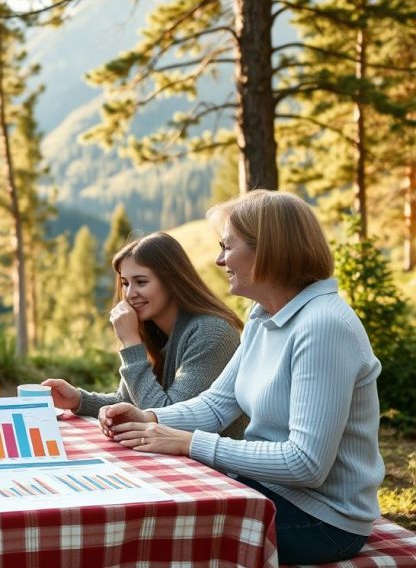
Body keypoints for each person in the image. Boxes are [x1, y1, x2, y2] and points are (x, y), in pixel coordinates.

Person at [99, 190, 383, 564]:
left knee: (159, 532)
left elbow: (306, 464)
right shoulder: (263, 316)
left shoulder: (324, 326)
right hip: (270, 492)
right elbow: (218, 403)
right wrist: (151, 418)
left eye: (227, 247)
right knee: (147, 500)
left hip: (323, 521)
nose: (219, 259)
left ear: (266, 249)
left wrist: (187, 442)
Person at [43, 232, 245, 437]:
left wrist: (131, 343)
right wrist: (78, 400)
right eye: (125, 283)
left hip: (217, 466)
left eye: (141, 282)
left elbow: (165, 419)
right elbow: (131, 402)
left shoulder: (211, 333)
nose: (130, 294)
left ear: (172, 281)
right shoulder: (153, 329)